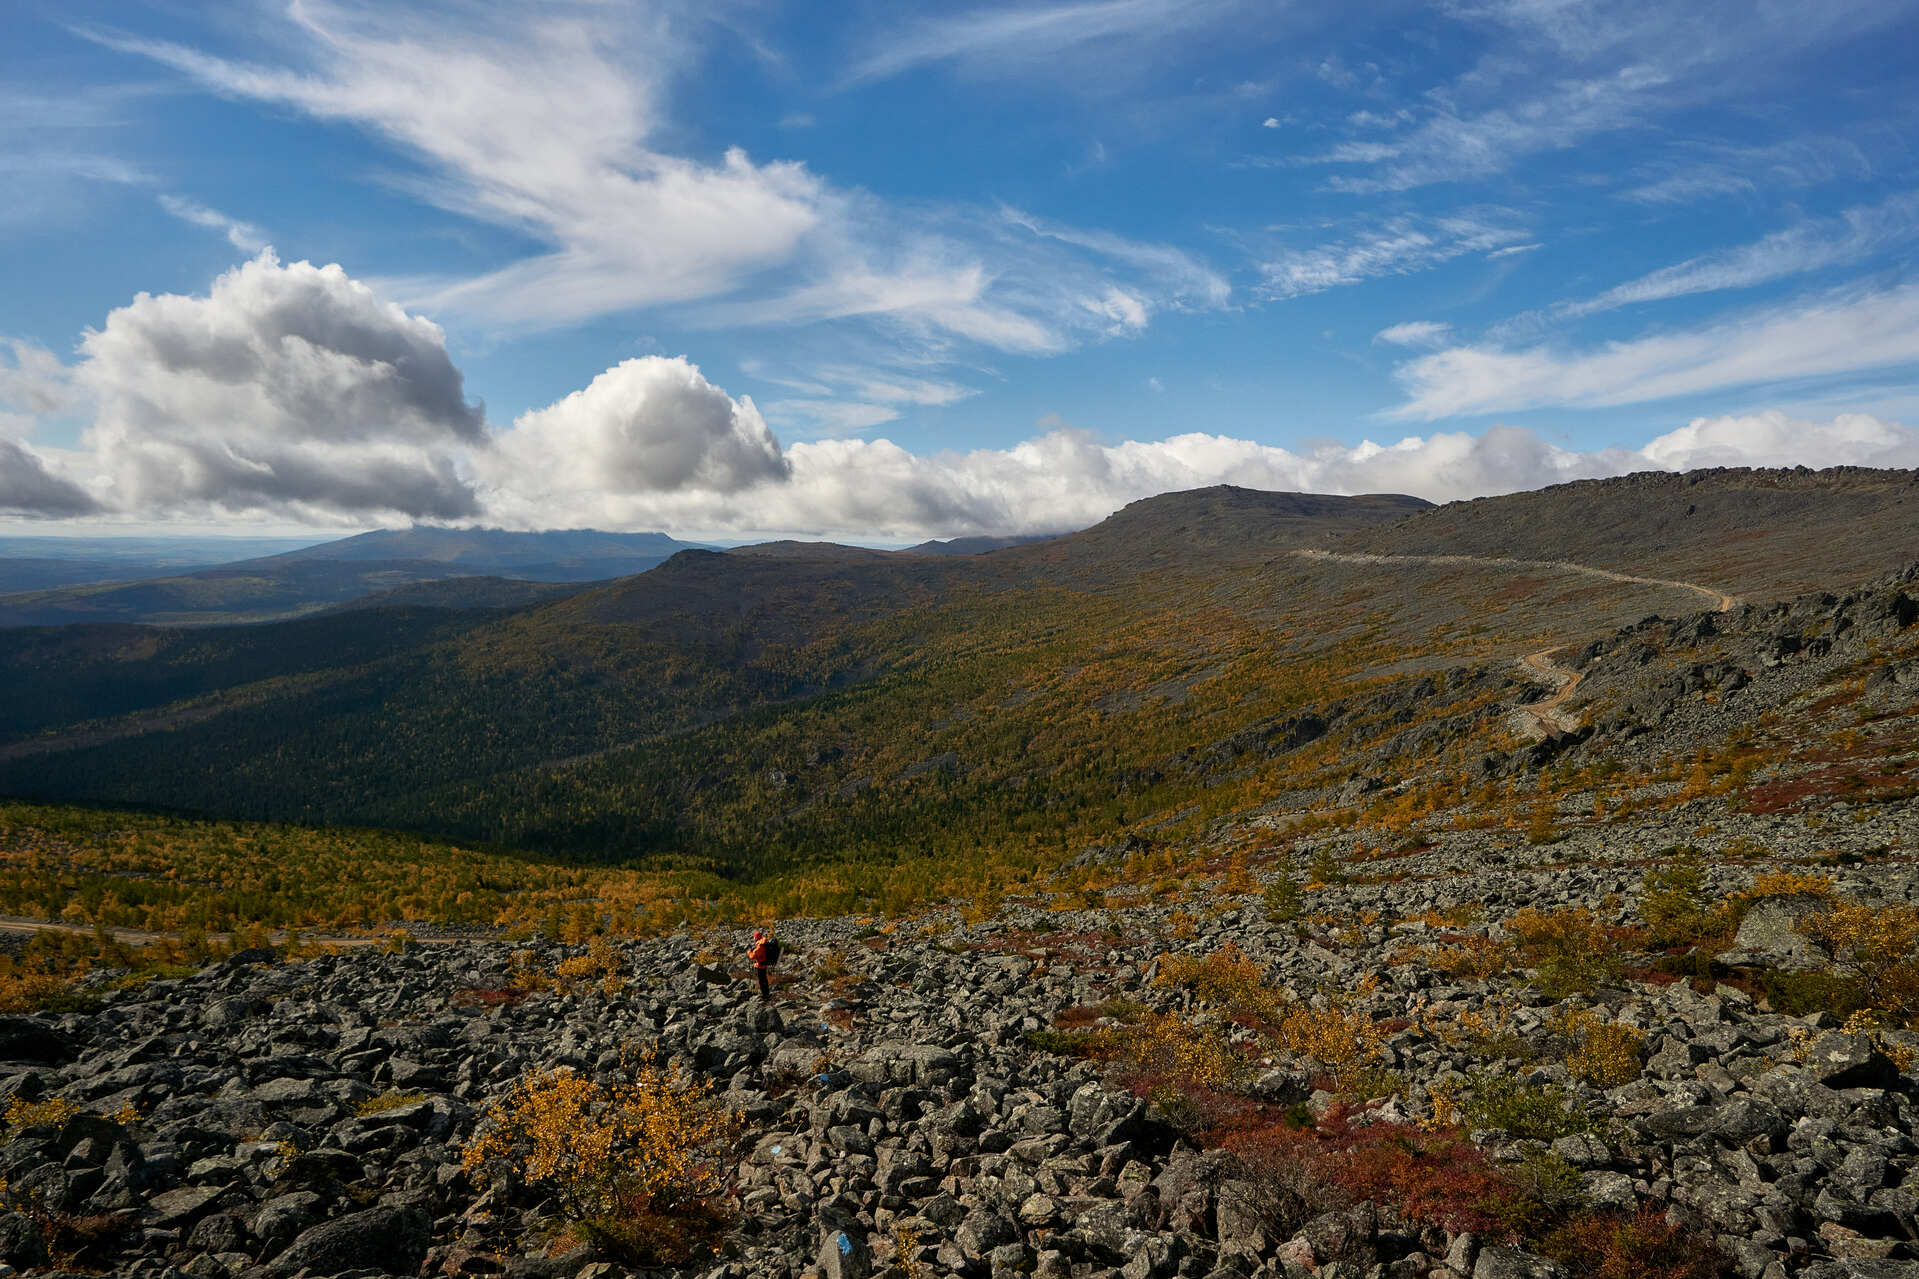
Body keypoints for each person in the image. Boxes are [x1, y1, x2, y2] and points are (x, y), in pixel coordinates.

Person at [748, 927, 774, 1000]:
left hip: (760, 966)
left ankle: (765, 995)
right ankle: (766, 993)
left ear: (756, 938)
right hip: (764, 964)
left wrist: (749, 952)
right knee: (764, 980)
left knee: (762, 980)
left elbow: (753, 956)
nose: (754, 939)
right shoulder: (764, 943)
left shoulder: (760, 946)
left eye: (754, 937)